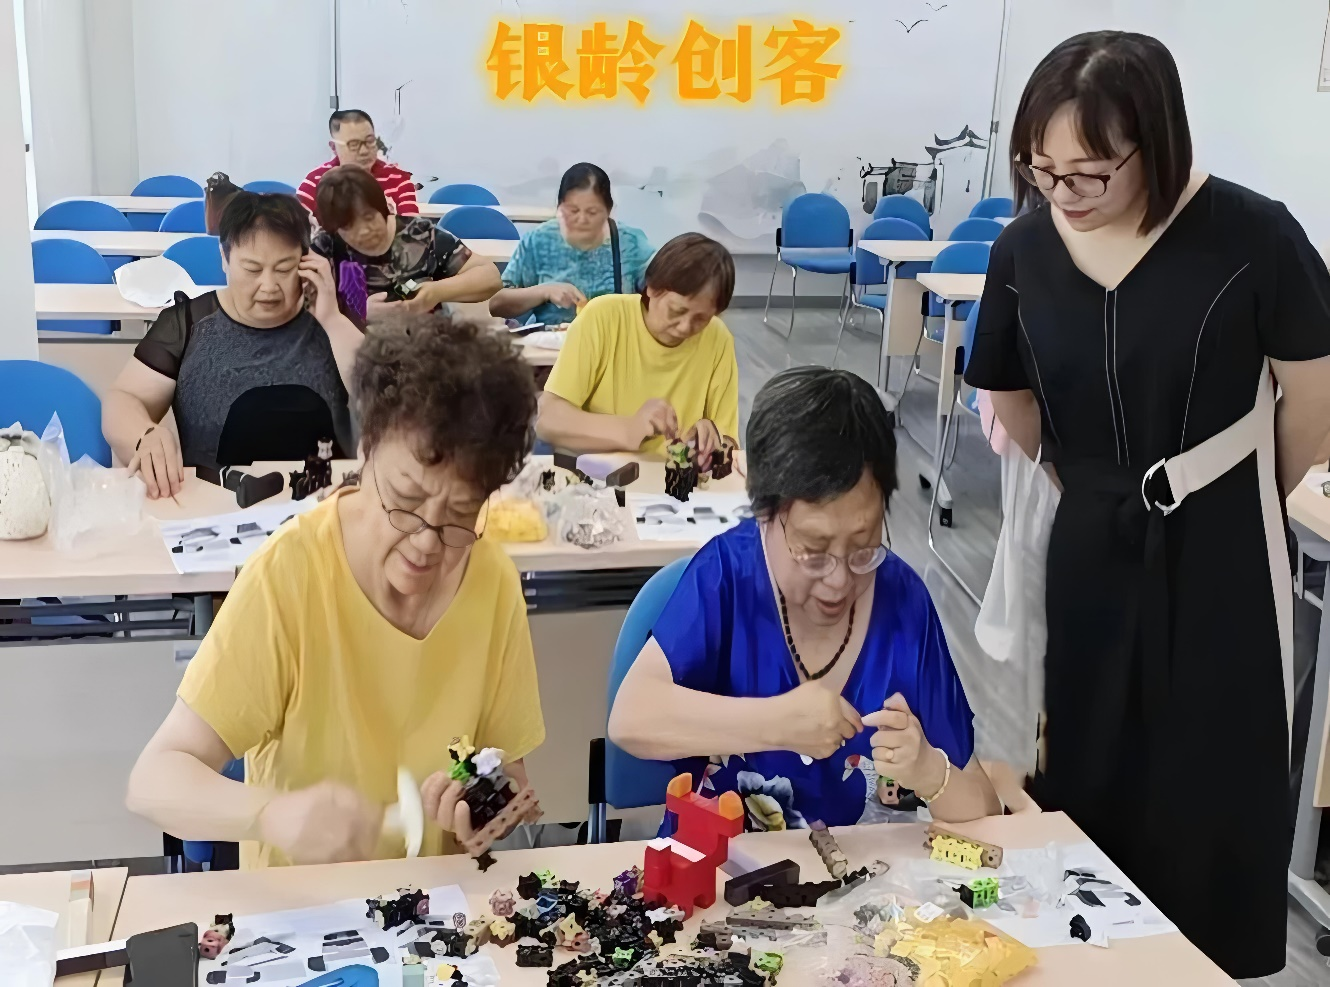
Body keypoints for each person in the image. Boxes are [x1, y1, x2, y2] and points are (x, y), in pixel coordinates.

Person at [964, 32, 1330, 979]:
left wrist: (1242, 489)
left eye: (1090, 172)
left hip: (1224, 538)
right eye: (1041, 169)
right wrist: (1086, 484)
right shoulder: (1023, 248)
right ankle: (1092, 959)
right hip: (1091, 530)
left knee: (1213, 763)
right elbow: (1010, 394)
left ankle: (1202, 965)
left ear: (1156, 144)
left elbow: (1312, 393)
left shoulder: (1252, 234)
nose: (1063, 192)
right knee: (1087, 753)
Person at [126, 316, 544, 868]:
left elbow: (513, 783)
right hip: (302, 904)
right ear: (364, 451)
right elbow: (153, 779)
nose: (426, 541)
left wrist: (480, 802)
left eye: (460, 516)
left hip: (434, 903)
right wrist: (270, 814)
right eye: (405, 500)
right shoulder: (291, 573)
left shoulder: (492, 579)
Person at [609, 368, 1000, 831]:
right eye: (813, 552)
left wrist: (931, 773)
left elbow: (984, 812)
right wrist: (777, 723)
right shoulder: (727, 577)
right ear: (764, 515)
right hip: (720, 862)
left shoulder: (903, 602)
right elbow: (630, 718)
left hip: (861, 872)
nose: (838, 580)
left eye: (864, 547)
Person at [102, 192, 363, 499]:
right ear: (224, 259)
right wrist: (143, 435)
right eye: (252, 269)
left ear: (306, 262)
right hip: (212, 504)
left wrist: (332, 321)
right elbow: (123, 398)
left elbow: (388, 402)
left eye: (284, 268)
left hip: (327, 504)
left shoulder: (332, 320)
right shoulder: (188, 324)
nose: (268, 286)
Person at [536, 233, 739, 460]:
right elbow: (548, 421)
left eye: (701, 319)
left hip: (673, 477)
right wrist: (631, 428)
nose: (685, 327)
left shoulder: (717, 338)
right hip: (598, 473)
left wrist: (712, 443)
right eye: (677, 311)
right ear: (652, 288)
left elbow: (728, 442)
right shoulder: (603, 317)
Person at [312, 165, 501, 319]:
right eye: (348, 226)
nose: (364, 231)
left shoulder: (420, 234)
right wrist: (358, 313)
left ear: (384, 207)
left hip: (424, 343)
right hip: (351, 347)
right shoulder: (325, 248)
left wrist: (436, 292)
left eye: (369, 217)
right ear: (334, 228)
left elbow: (490, 277)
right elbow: (302, 310)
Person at [489, 163, 653, 326]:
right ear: (559, 207)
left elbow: (661, 288)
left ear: (609, 211)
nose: (582, 219)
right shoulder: (538, 240)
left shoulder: (630, 242)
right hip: (553, 339)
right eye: (573, 211)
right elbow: (497, 304)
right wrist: (544, 291)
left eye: (592, 212)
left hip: (613, 338)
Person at [297, 109, 418, 218]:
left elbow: (412, 232)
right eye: (354, 144)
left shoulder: (398, 180)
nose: (364, 151)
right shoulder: (315, 181)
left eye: (370, 141)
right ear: (334, 147)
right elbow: (297, 230)